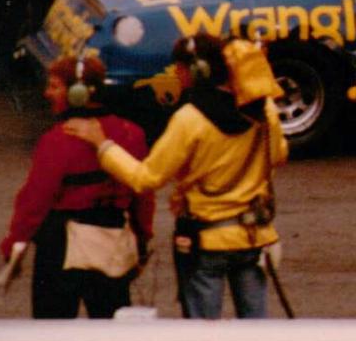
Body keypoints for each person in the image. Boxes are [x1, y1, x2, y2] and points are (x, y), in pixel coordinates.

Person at [65, 33, 288, 320]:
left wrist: (103, 146)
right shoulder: (264, 110)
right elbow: (278, 154)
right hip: (254, 237)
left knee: (202, 337)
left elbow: (146, 178)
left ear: (198, 71)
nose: (176, 74)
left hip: (206, 241)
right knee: (257, 334)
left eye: (180, 68)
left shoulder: (190, 119)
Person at [0, 55, 154, 318]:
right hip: (113, 241)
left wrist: (14, 244)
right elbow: (143, 194)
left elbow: (34, 201)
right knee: (112, 330)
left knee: (53, 330)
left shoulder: (56, 140)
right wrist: (142, 237)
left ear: (79, 93)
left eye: (54, 86)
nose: (47, 93)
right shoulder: (132, 134)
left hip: (59, 249)